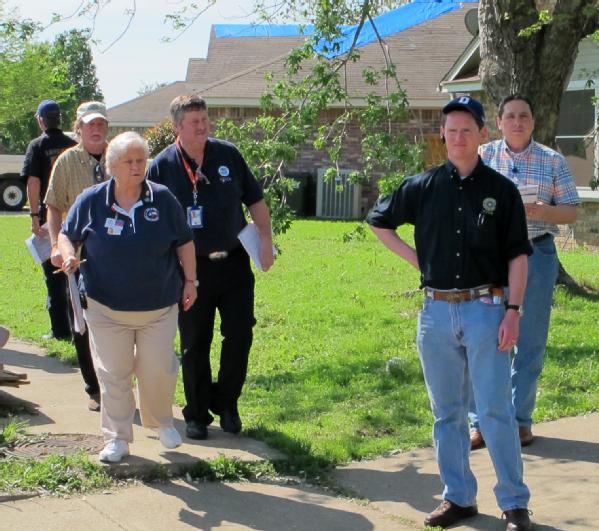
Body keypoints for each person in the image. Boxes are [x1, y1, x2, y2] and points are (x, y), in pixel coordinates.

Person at [366, 96, 533, 531]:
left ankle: (515, 503)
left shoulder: (501, 191)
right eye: (451, 129)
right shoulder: (422, 186)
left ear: (482, 135)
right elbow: (378, 220)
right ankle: (458, 498)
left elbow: (518, 256)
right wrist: (417, 260)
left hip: (486, 311)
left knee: (495, 411)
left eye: (467, 129)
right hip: (436, 315)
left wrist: (513, 311)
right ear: (442, 135)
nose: (458, 137)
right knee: (447, 414)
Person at [58, 131, 197, 463]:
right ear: (112, 166)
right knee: (113, 373)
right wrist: (66, 255)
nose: (137, 167)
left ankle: (161, 422)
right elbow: (67, 234)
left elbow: (184, 241)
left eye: (141, 160)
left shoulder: (162, 199)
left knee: (159, 370)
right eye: (129, 161)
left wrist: (191, 281)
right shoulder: (92, 200)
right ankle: (117, 438)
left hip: (159, 306)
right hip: (106, 307)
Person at [147, 94, 274, 440]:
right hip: (191, 270)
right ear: (176, 127)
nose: (202, 126)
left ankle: (228, 403)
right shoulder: (162, 166)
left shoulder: (228, 154)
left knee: (240, 334)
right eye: (194, 122)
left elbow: (256, 200)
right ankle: (197, 414)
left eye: (204, 119)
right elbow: (150, 216)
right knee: (194, 342)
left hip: (234, 263)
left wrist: (266, 240)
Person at [469, 95, 580, 449]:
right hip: (491, 258)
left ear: (533, 122)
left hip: (537, 253)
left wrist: (542, 211)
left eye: (524, 116)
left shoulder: (552, 160)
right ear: (499, 122)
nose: (518, 122)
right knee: (484, 338)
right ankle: (481, 423)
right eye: (511, 116)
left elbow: (571, 211)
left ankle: (520, 420)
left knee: (529, 339)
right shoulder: (483, 157)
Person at [44, 101, 109, 411]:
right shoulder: (66, 161)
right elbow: (53, 205)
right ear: (79, 128)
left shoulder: (120, 157)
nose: (96, 130)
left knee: (116, 324)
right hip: (78, 258)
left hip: (117, 259)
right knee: (81, 324)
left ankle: (117, 384)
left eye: (101, 124)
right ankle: (94, 387)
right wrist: (57, 245)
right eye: (90, 125)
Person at [21, 100, 77, 341]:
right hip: (74, 217)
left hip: (49, 219)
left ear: (41, 120)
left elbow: (33, 182)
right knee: (75, 273)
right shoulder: (73, 144)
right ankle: (79, 328)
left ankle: (60, 331)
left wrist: (35, 216)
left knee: (53, 274)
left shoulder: (37, 145)